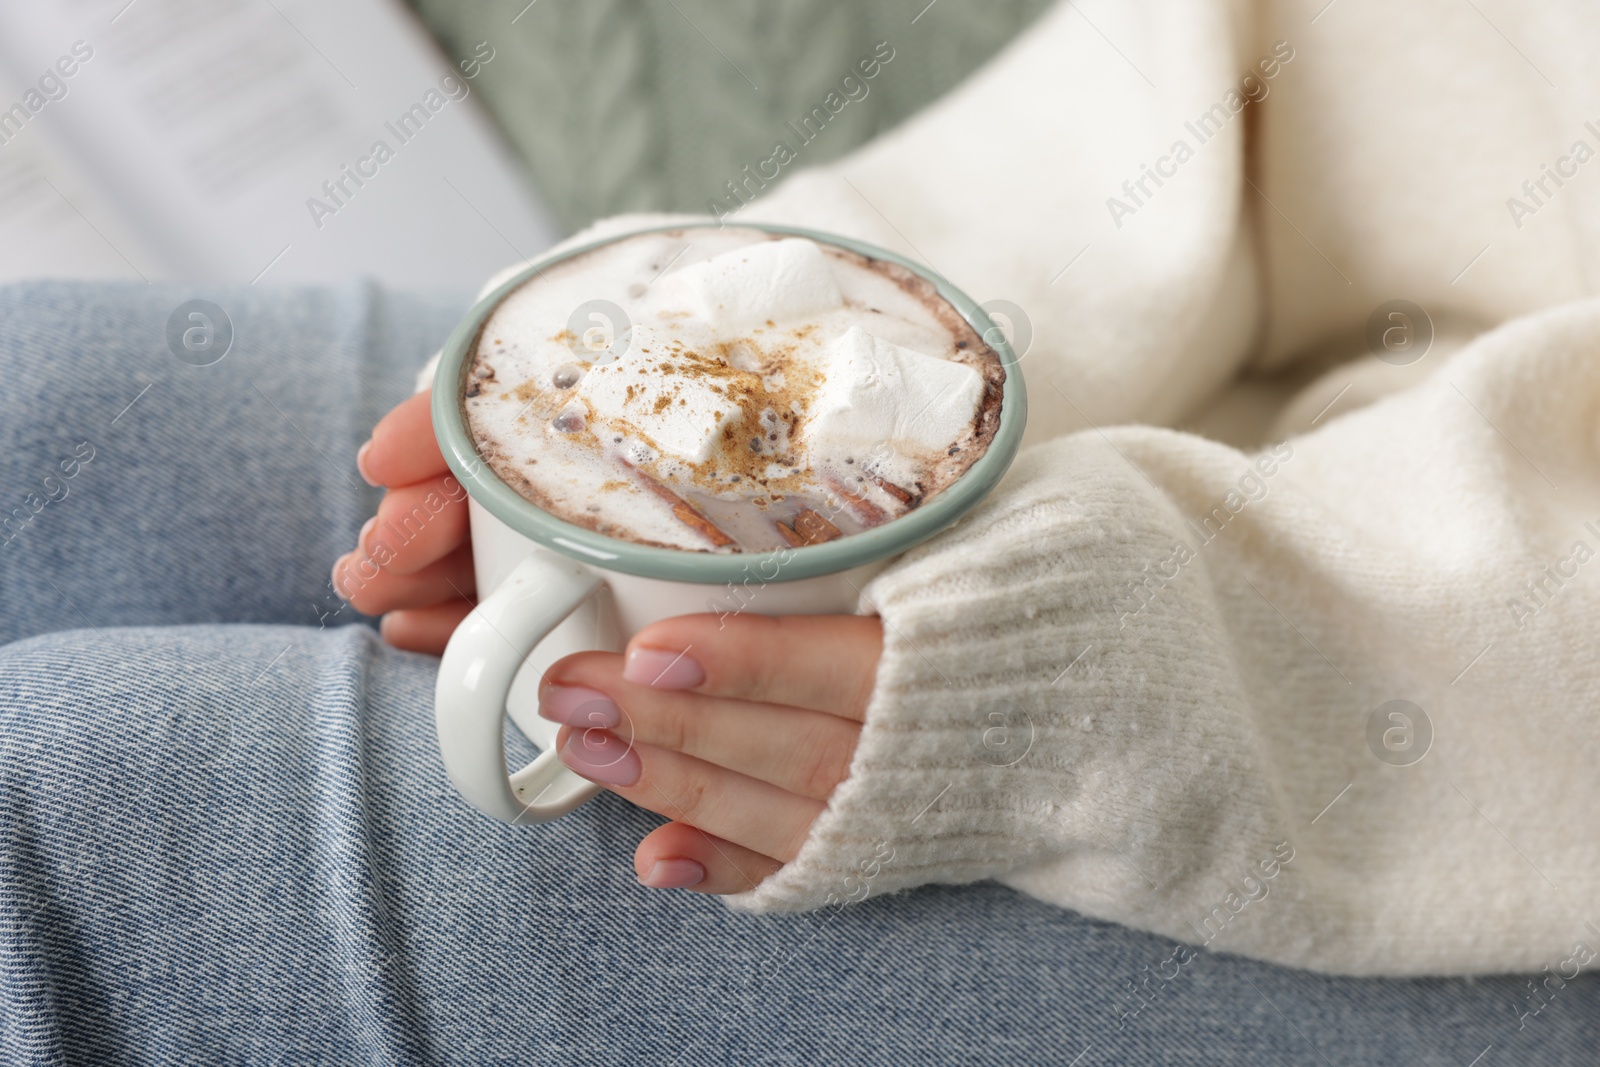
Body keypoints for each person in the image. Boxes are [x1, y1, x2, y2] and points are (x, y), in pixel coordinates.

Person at [4, 1, 1598, 1062]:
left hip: (1514, 747)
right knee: (35, 409)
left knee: (74, 814)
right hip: (1208, 376)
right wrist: (831, 293)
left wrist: (1197, 659)